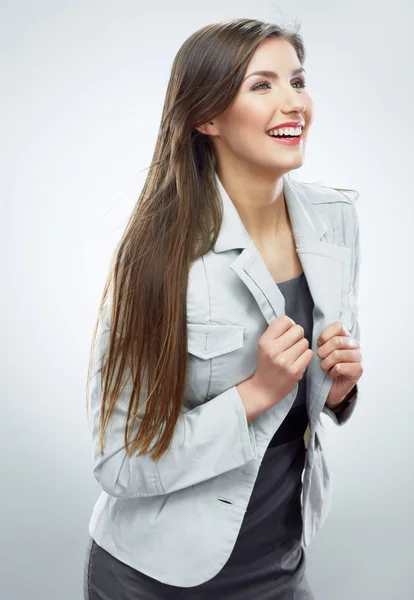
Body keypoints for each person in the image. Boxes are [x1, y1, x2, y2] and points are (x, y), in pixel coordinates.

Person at [83, 17, 363, 600]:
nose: (294, 103)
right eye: (262, 86)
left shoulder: (335, 219)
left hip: (281, 564)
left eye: (297, 80)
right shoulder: (157, 257)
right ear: (205, 117)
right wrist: (253, 394)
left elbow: (309, 402)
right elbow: (118, 461)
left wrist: (335, 390)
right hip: (157, 580)